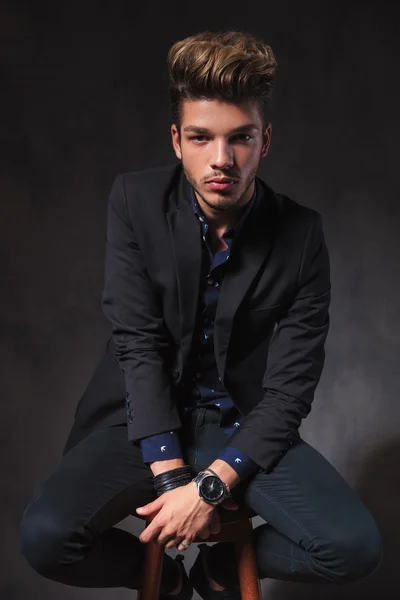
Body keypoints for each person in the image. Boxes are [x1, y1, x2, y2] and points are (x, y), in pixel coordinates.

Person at [19, 30, 383, 600]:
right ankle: (163, 581)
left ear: (265, 141)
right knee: (45, 538)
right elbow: (136, 342)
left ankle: (216, 574)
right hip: (138, 418)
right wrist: (173, 478)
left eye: (241, 138)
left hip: (241, 425)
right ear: (176, 140)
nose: (222, 159)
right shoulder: (134, 202)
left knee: (353, 548)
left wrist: (211, 488)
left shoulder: (301, 233)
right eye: (201, 137)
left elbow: (290, 388)